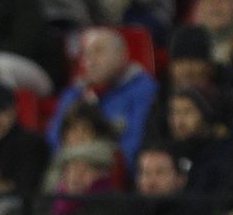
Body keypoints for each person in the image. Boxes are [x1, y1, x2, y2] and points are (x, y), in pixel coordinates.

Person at [49, 27, 158, 165]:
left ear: (121, 55)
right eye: (86, 54)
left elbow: (135, 141)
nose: (90, 60)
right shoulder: (73, 93)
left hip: (114, 176)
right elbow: (54, 139)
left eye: (98, 51)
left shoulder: (142, 89)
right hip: (70, 174)